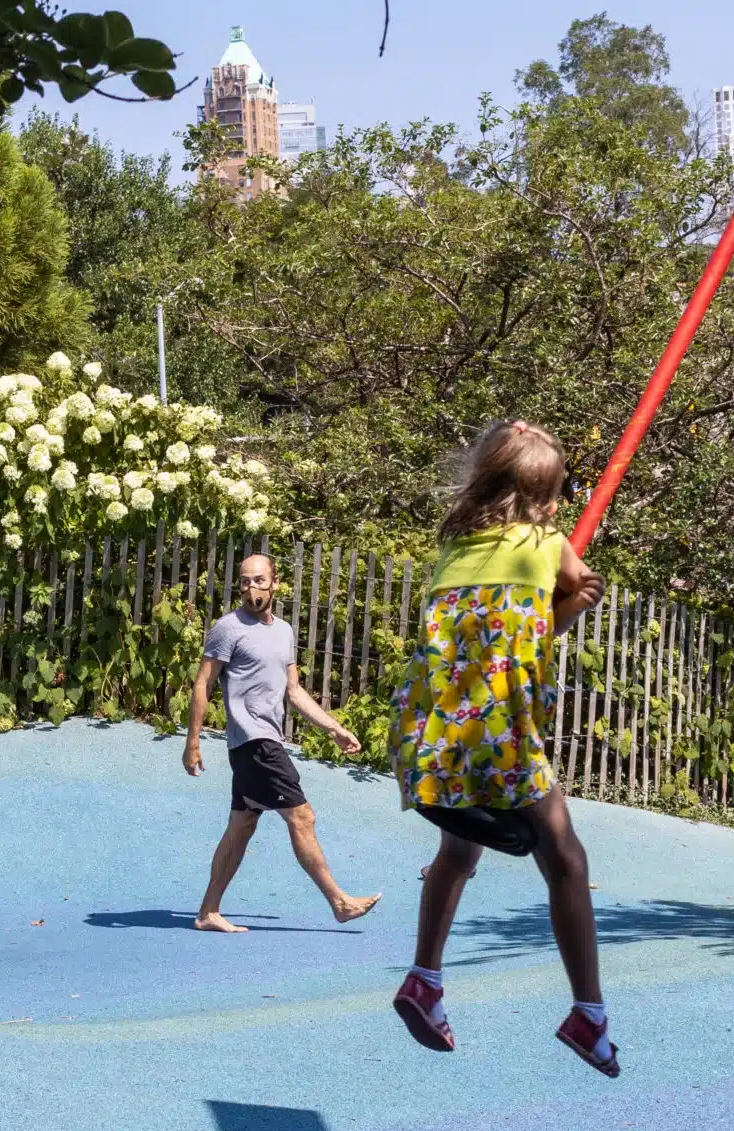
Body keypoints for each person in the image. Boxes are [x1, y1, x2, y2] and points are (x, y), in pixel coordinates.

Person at [387, 420, 617, 1073]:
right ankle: (589, 1015)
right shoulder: (546, 543)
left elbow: (519, 630)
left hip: (432, 741)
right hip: (497, 741)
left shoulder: (454, 554)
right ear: (545, 497)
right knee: (567, 860)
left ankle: (424, 977)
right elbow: (571, 585)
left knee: (458, 850)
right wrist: (578, 597)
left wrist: (563, 607)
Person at [182, 553, 381, 933]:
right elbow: (203, 683)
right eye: (244, 581)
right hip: (253, 742)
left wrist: (333, 728)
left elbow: (294, 691)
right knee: (302, 817)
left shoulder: (284, 632)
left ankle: (208, 912)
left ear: (275, 583)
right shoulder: (228, 628)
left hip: (265, 740)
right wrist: (193, 741)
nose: (250, 588)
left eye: (258, 580)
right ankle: (339, 902)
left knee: (241, 827)